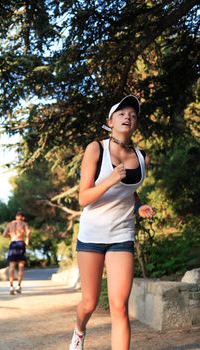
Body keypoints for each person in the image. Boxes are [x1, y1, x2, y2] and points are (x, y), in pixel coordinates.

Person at [69, 95, 155, 350]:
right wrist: (109, 180)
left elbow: (130, 190)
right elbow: (84, 198)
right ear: (110, 121)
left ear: (136, 123)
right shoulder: (96, 148)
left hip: (121, 235)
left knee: (119, 306)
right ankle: (79, 330)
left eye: (133, 114)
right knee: (89, 303)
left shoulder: (141, 157)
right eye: (121, 113)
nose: (128, 116)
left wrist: (139, 206)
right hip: (92, 236)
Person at [3, 211, 31, 295]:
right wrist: (27, 240)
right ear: (22, 217)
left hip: (13, 243)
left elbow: (4, 234)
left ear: (16, 217)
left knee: (11, 266)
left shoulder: (10, 224)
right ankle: (18, 286)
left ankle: (11, 286)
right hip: (20, 243)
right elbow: (29, 231)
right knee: (21, 266)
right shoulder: (23, 223)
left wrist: (11, 236)